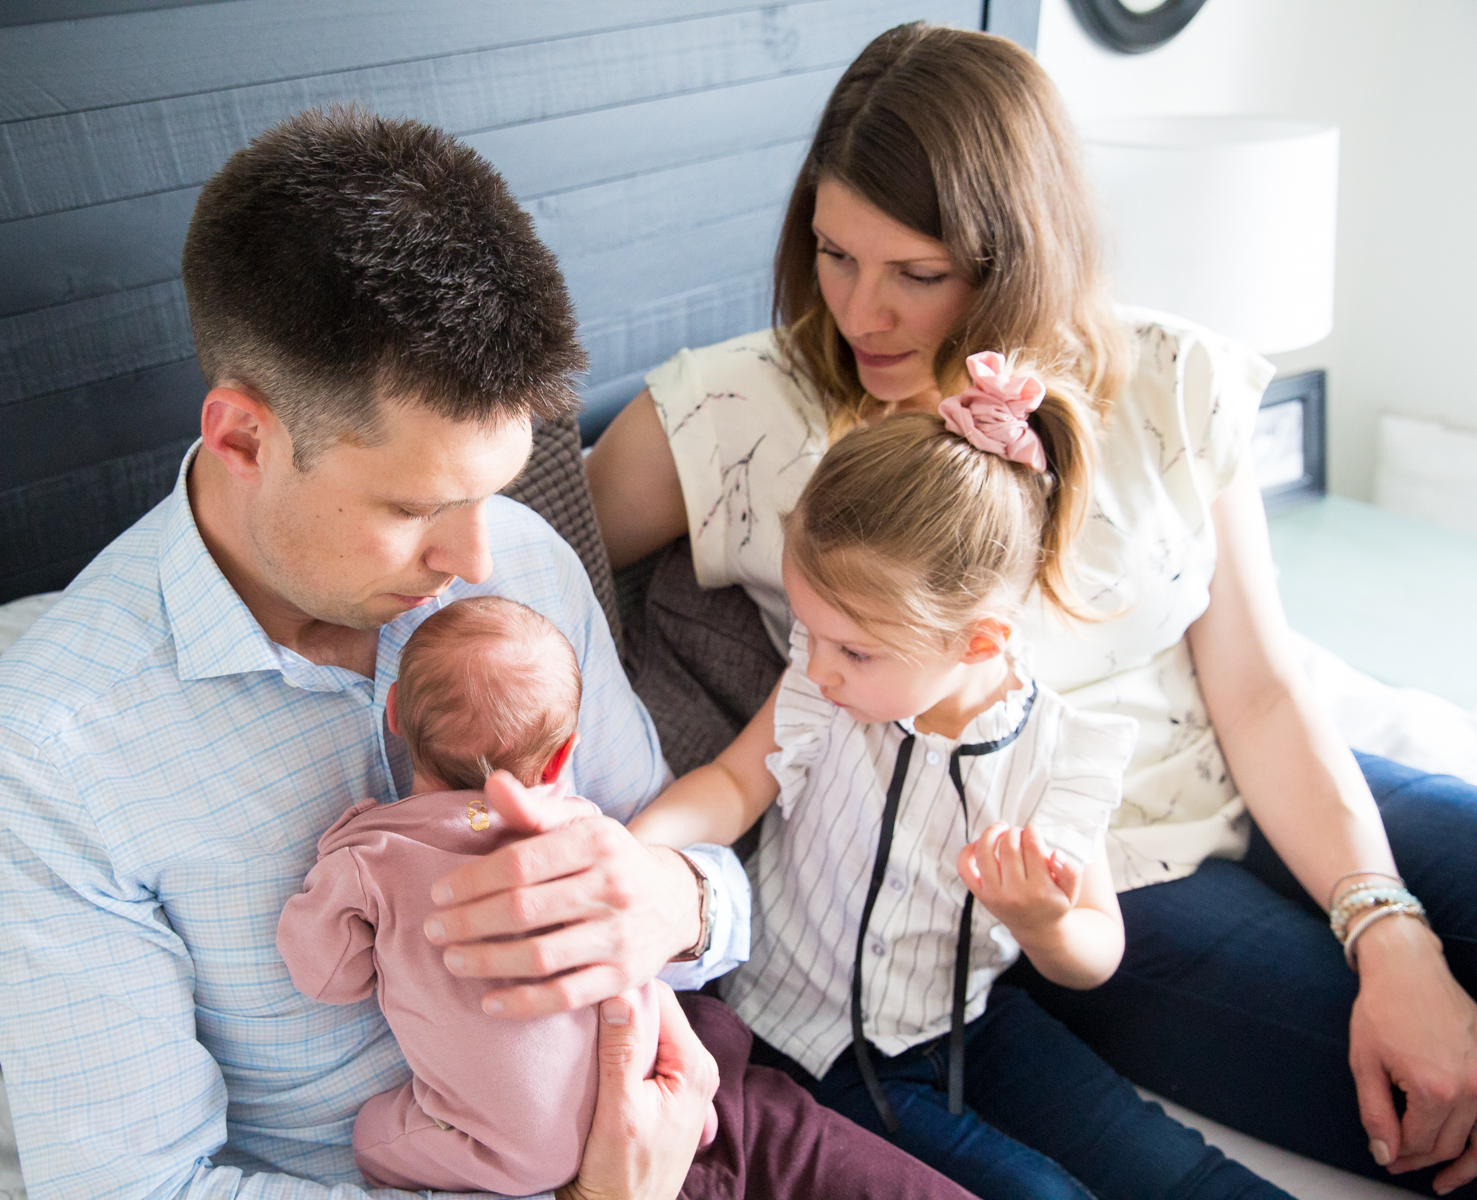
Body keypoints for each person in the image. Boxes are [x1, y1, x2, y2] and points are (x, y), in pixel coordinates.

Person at [585, 22, 1477, 1198]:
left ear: (1017, 255)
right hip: (1094, 870)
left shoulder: (1170, 376)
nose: (862, 313)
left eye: (917, 274)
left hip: (1274, 773)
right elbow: (521, 543)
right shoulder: (737, 410)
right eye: (835, 254)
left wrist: (1389, 927)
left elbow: (1262, 690)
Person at [0, 108, 734, 1200]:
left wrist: (678, 904)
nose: (475, 559)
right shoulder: (48, 758)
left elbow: (681, 856)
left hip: (692, 1106)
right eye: (415, 508)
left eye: (492, 492)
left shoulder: (520, 559)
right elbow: (137, 1191)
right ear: (243, 438)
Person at [628, 363, 1291, 1199]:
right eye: (811, 632)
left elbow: (1098, 949)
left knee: (1172, 1169)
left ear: (979, 643)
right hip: (807, 1040)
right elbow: (733, 786)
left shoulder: (1061, 755)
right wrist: (633, 849)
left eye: (854, 650)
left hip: (963, 1020)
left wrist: (1044, 923)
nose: (819, 667)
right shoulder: (825, 687)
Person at [279, 595, 974, 1200]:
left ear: (394, 715)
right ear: (562, 758)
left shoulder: (373, 856)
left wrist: (341, 865)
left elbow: (326, 976)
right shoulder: (583, 830)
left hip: (534, 1151)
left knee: (372, 1137)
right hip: (665, 1089)